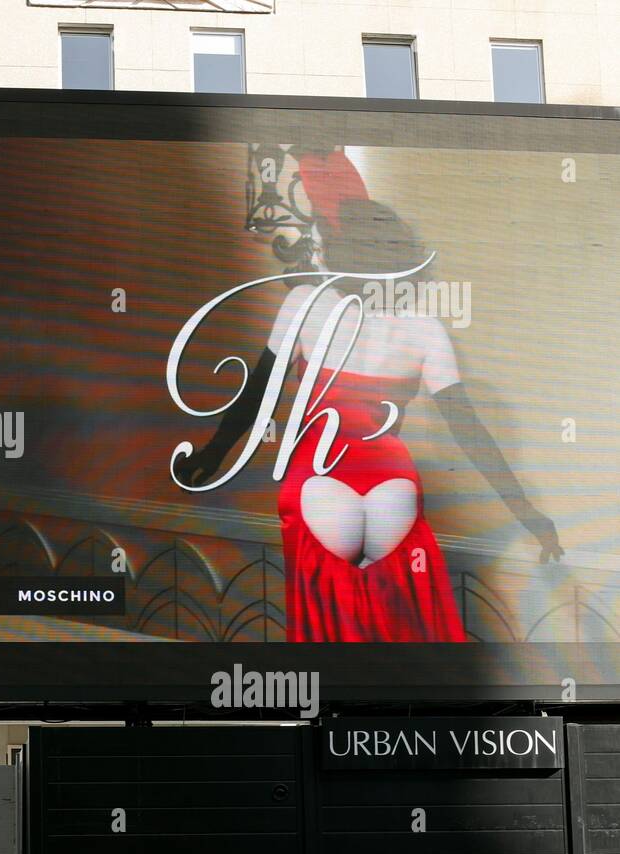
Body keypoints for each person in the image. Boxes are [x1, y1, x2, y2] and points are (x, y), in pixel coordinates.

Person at [176, 151, 561, 643]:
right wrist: (528, 511)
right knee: (404, 638)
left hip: (321, 484)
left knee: (330, 652)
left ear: (338, 245)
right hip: (391, 489)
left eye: (320, 233)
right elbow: (469, 431)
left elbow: (256, 395)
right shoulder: (425, 329)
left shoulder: (304, 305)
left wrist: (209, 457)